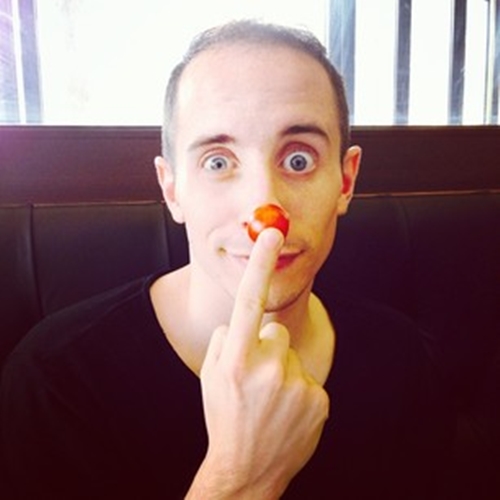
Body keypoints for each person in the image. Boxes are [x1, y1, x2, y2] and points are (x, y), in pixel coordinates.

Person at [0, 20, 452, 499]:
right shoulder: (55, 380)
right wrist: (240, 478)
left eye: (298, 160)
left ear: (345, 181)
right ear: (172, 189)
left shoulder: (402, 360)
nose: (265, 213)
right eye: (218, 162)